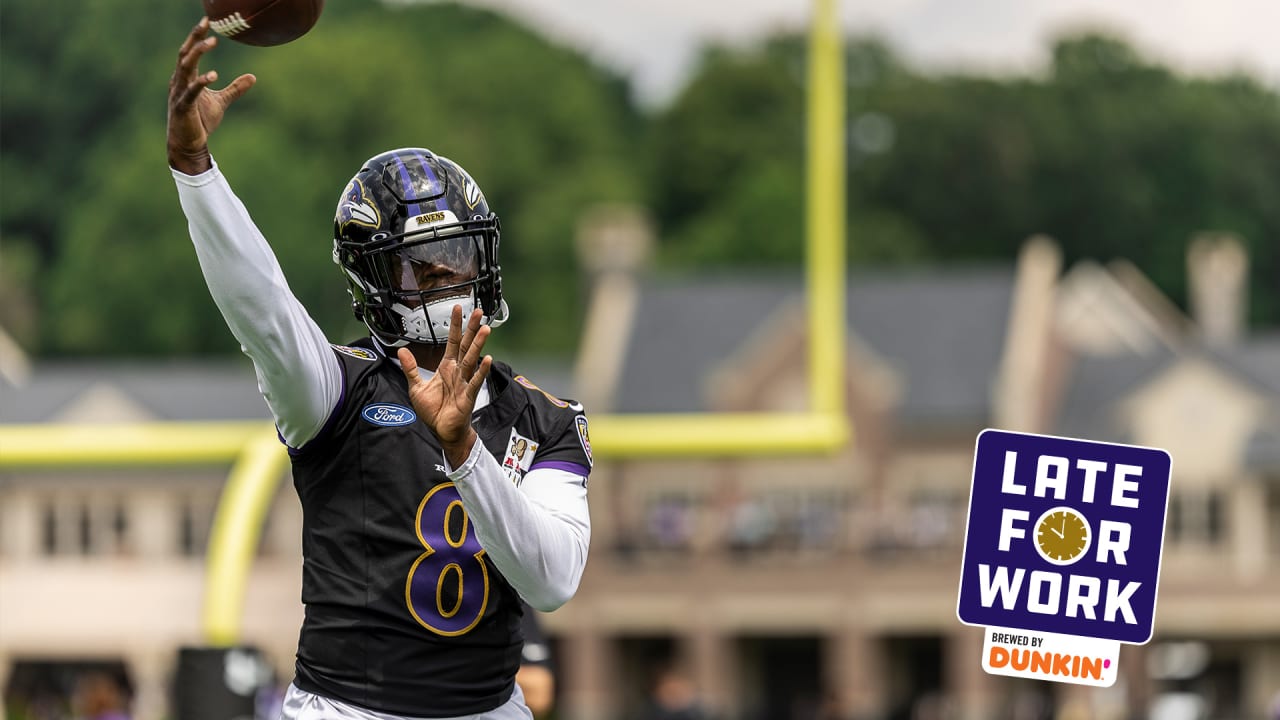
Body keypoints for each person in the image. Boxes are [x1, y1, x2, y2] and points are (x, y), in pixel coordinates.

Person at [167, 18, 593, 720]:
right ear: (375, 283)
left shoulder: (544, 419)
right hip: (346, 708)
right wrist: (196, 171)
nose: (447, 278)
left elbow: (551, 581)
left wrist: (464, 450)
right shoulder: (336, 391)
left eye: (457, 256)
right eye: (420, 268)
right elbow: (262, 309)